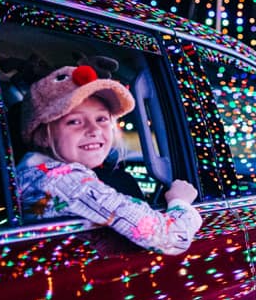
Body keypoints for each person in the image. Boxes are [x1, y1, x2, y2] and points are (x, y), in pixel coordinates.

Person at [15, 63, 201, 255]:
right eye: (75, 121)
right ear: (43, 136)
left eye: (102, 119)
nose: (94, 130)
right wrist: (180, 202)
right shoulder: (69, 183)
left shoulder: (31, 175)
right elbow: (171, 238)